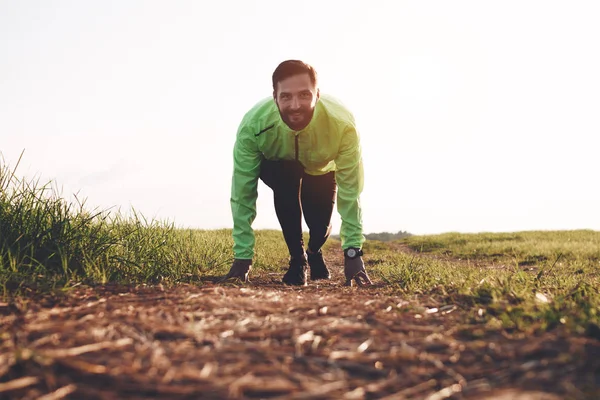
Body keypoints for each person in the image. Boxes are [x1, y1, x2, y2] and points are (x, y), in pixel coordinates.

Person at [223, 60, 371, 286]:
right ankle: (297, 260)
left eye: (304, 95)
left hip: (322, 169)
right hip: (280, 168)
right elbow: (243, 191)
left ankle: (314, 251)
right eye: (286, 97)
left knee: (319, 226)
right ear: (275, 97)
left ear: (317, 95)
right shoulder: (253, 125)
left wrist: (353, 252)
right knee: (286, 177)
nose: (295, 105)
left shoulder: (342, 125)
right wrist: (242, 258)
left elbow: (351, 192)